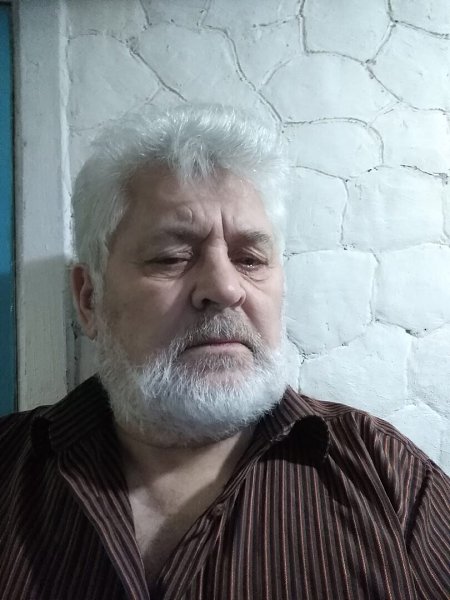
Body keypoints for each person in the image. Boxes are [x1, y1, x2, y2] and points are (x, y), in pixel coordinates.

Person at [0, 104, 448, 600]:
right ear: (90, 299)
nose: (224, 287)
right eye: (171, 257)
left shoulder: (393, 478)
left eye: (250, 259)